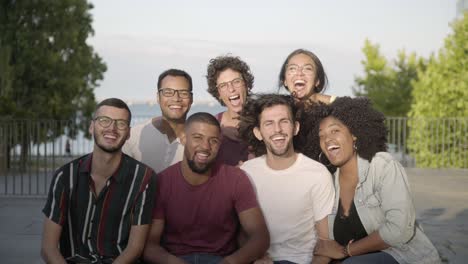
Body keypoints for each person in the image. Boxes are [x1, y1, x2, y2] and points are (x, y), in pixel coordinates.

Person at [302, 97, 440, 264]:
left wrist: (347, 251)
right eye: (321, 135)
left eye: (335, 131)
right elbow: (326, 249)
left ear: (354, 134)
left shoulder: (382, 165)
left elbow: (399, 230)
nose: (327, 139)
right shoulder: (328, 183)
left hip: (403, 256)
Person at [143, 112, 270, 264]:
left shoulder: (235, 179)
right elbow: (150, 245)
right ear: (183, 138)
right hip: (176, 260)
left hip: (222, 260)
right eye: (197, 137)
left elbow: (260, 237)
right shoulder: (162, 181)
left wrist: (231, 262)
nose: (205, 146)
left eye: (213, 140)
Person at [41, 98, 157, 264]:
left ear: (129, 132)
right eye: (104, 121)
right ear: (91, 126)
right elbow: (48, 248)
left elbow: (134, 248)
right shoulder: (65, 176)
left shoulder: (144, 178)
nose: (112, 128)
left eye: (121, 123)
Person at [239, 94, 335, 264]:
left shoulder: (317, 174)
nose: (277, 130)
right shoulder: (246, 173)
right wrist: (253, 258)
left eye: (284, 121)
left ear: (295, 128)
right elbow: (239, 232)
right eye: (269, 123)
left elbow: (325, 244)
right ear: (258, 132)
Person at [123, 69, 193, 173]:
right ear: (158, 97)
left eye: (183, 93)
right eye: (168, 92)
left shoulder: (199, 142)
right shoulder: (134, 136)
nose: (176, 98)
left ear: (191, 99)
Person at [206, 55, 255, 166]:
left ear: (246, 85)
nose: (231, 89)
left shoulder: (265, 120)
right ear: (218, 93)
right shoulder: (212, 127)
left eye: (236, 82)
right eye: (223, 85)